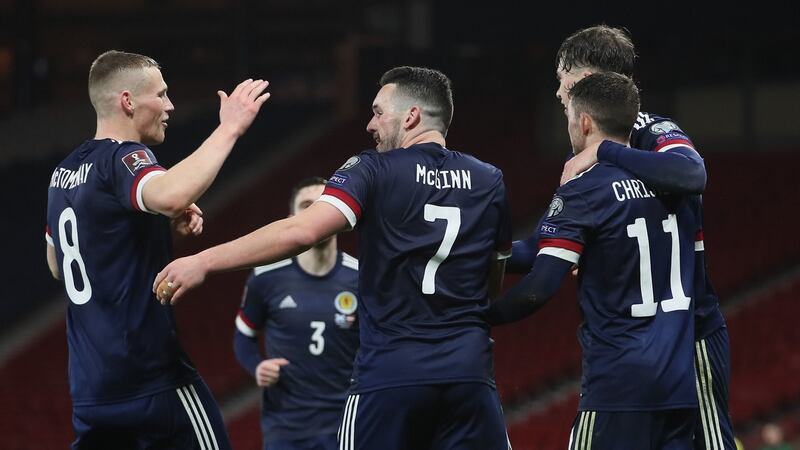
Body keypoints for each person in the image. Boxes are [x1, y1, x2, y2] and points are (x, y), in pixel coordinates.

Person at [154, 66, 514, 450]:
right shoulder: (489, 179)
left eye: (378, 112)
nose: (370, 125)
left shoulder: (373, 169)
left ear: (410, 117)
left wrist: (203, 261)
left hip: (389, 377)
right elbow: (492, 281)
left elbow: (300, 231)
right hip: (468, 376)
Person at [508, 25, 735, 450]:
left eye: (563, 78)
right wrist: (470, 254)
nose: (558, 92)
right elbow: (542, 247)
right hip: (642, 340)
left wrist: (604, 151)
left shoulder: (650, 131)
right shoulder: (590, 153)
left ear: (586, 78)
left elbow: (693, 174)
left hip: (692, 332)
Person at [45, 50, 270, 449]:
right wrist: (230, 129)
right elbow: (171, 194)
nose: (170, 105)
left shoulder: (64, 172)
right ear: (128, 101)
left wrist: (160, 231)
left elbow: (59, 264)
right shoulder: (124, 156)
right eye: (162, 94)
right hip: (151, 380)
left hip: (92, 388)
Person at [488, 72, 701, 449]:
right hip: (678, 387)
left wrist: (475, 315)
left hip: (617, 387)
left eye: (569, 114)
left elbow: (538, 289)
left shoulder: (585, 190)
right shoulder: (674, 187)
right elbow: (543, 247)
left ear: (583, 121)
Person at [232, 177, 360, 450]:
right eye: (306, 206)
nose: (316, 214)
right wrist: (257, 366)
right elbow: (244, 336)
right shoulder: (265, 277)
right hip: (286, 426)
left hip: (348, 423)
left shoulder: (363, 278)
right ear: (292, 219)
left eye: (324, 205)